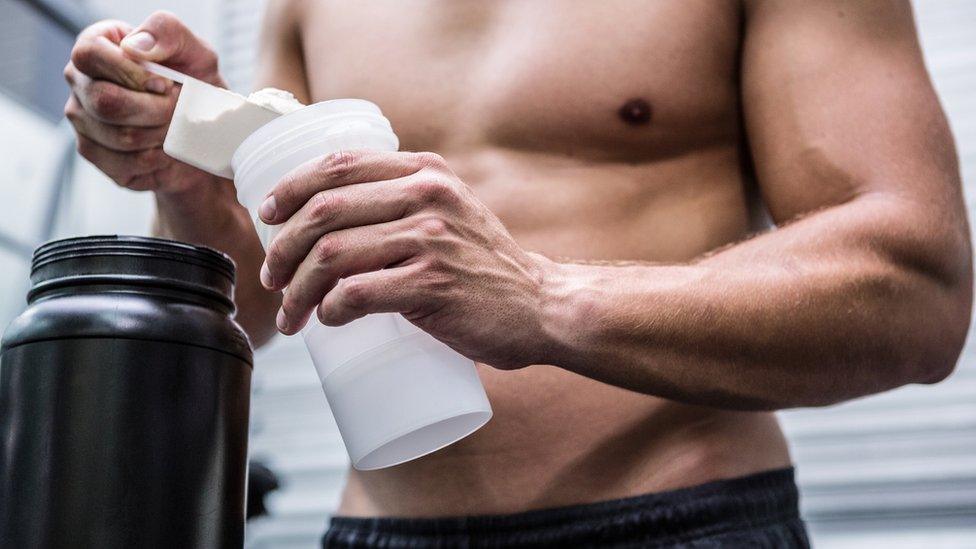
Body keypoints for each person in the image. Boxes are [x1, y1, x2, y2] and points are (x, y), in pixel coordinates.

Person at [63, 1, 972, 547]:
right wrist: (189, 177)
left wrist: (544, 298)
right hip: (379, 531)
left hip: (680, 522)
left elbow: (916, 284)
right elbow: (269, 300)